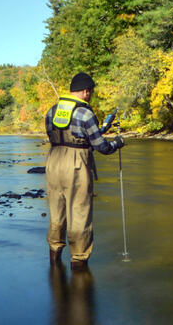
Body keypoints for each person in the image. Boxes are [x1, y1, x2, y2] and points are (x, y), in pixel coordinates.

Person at [44, 72, 125, 268]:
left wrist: (98, 131)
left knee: (56, 211)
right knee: (79, 212)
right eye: (91, 92)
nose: (91, 96)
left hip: (53, 162)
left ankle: (54, 260)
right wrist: (117, 143)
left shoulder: (52, 111)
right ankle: (79, 263)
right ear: (86, 91)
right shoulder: (86, 114)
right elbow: (101, 147)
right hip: (76, 165)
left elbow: (60, 136)